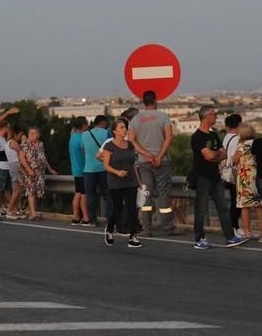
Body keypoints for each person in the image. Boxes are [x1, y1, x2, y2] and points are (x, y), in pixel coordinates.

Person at [190, 105, 248, 250]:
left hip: (215, 177)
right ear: (206, 116)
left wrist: (213, 155)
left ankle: (230, 237)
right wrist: (214, 155)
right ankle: (199, 238)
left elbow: (223, 154)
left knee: (223, 207)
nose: (216, 117)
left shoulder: (214, 135)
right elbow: (209, 155)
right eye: (214, 114)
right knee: (201, 209)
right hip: (202, 177)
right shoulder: (197, 137)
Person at [129, 91, 180, 237]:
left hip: (144, 162)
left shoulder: (136, 119)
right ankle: (167, 227)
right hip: (161, 162)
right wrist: (159, 156)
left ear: (143, 102)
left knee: (146, 194)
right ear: (155, 101)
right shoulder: (163, 116)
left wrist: (146, 155)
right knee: (163, 194)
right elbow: (169, 138)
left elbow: (132, 140)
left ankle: (146, 228)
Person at [101, 118, 142, 248]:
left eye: (125, 127)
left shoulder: (130, 144)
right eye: (121, 128)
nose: (124, 130)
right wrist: (117, 172)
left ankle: (133, 236)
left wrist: (140, 182)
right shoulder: (109, 146)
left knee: (132, 209)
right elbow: (105, 166)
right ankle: (109, 229)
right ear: (114, 131)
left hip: (131, 181)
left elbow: (134, 164)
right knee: (117, 208)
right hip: (115, 181)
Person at [231, 123, 262, 241]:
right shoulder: (258, 144)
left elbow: (234, 160)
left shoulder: (242, 146)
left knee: (245, 205)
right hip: (257, 177)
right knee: (259, 205)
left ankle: (247, 232)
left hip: (245, 178)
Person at [19, 126, 58, 220]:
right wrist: (28, 170)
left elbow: (43, 158)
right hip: (29, 171)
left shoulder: (40, 144)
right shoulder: (25, 143)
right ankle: (33, 214)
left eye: (34, 133)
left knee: (36, 192)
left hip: (40, 171)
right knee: (31, 191)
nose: (31, 135)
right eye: (30, 133)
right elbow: (21, 158)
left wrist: (50, 169)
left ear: (38, 135)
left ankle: (32, 212)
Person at [82, 115, 111, 226]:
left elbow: (83, 151)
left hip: (89, 169)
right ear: (103, 123)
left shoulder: (85, 134)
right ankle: (109, 220)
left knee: (90, 196)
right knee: (107, 195)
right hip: (104, 168)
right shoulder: (106, 133)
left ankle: (93, 220)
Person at [221, 114, 243, 237]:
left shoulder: (226, 138)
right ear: (239, 124)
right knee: (237, 202)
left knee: (235, 201)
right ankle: (234, 227)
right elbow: (236, 157)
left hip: (227, 173)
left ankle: (234, 226)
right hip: (235, 174)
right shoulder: (237, 139)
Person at [69, 116, 91, 225]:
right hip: (83, 169)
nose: (88, 126)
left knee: (78, 192)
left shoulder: (72, 137)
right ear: (83, 126)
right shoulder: (83, 138)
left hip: (75, 169)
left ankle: (76, 216)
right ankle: (86, 218)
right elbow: (85, 153)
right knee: (83, 194)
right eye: (86, 124)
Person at [5, 126, 26, 219]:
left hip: (11, 165)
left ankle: (14, 209)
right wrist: (25, 141)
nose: (20, 138)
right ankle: (10, 210)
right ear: (15, 134)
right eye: (20, 136)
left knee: (16, 190)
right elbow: (22, 152)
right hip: (14, 165)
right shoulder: (13, 143)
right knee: (16, 190)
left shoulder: (8, 142)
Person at [0, 123, 12, 216]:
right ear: (4, 127)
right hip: (1, 166)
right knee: (0, 189)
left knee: (6, 188)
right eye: (8, 128)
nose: (9, 129)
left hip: (6, 166)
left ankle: (11, 208)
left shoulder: (2, 138)